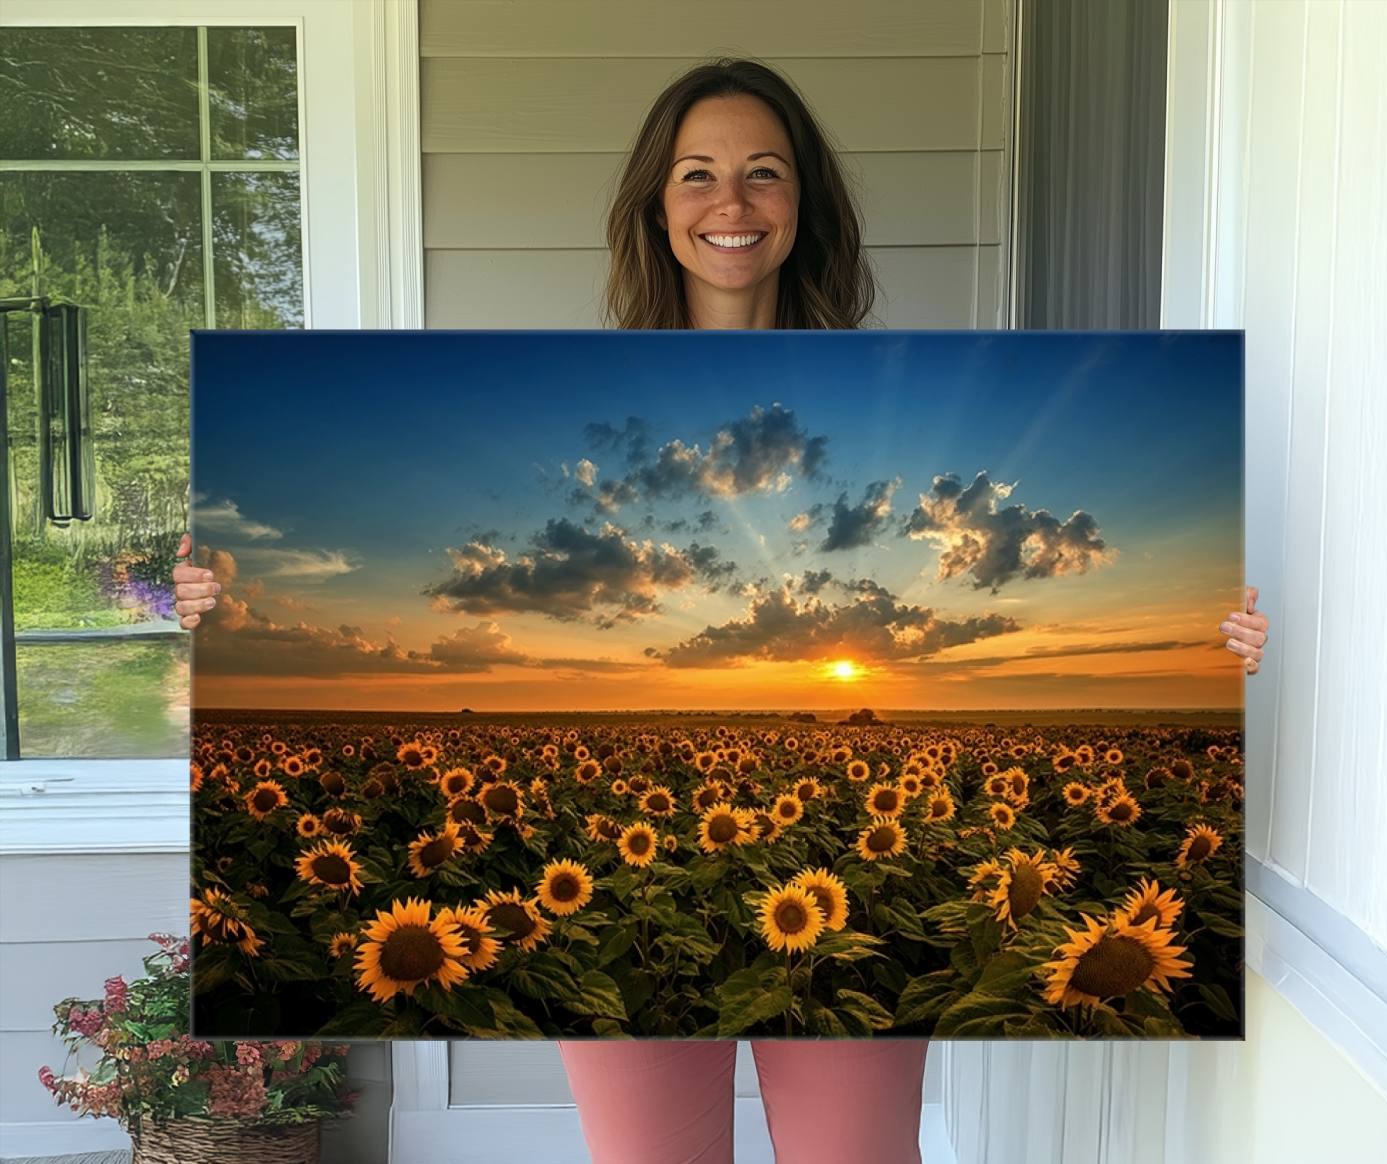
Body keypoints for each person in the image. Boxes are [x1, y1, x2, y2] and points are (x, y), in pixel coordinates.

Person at [170, 58, 1269, 1164]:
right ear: (656, 204)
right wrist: (216, 605)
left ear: (804, 204)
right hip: (613, 888)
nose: (729, 204)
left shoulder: (902, 397)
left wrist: (1219, 647)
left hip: (826, 920)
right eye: (696, 174)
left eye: (763, 174)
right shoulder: (578, 402)